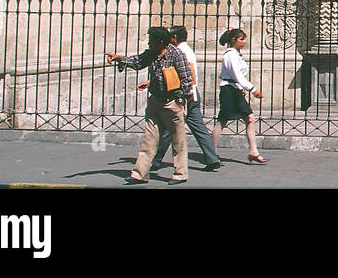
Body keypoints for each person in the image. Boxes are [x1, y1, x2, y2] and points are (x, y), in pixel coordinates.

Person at [105, 26, 194, 184]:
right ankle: (139, 174)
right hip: (155, 102)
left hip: (172, 102)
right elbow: (137, 61)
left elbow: (187, 79)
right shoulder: (152, 53)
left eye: (151, 40)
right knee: (149, 139)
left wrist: (180, 100)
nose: (149, 43)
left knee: (178, 141)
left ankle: (181, 174)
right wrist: (119, 58)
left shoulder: (176, 55)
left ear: (161, 42)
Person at [150, 25, 220, 172]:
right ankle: (212, 159)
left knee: (169, 129)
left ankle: (156, 161)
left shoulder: (179, 52)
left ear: (174, 38)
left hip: (184, 96)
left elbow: (177, 76)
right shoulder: (188, 50)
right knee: (198, 128)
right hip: (193, 94)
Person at [211, 28, 266, 164]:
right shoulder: (230, 55)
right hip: (229, 90)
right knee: (223, 120)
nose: (244, 41)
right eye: (241, 39)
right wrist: (253, 89)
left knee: (248, 118)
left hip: (234, 88)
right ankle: (211, 152)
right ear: (233, 40)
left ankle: (253, 151)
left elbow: (238, 76)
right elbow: (237, 74)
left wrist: (241, 88)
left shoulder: (235, 54)